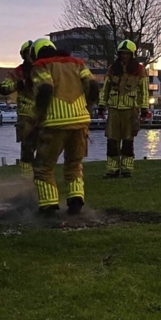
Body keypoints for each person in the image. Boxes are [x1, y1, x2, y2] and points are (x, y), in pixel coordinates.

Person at [30, 39, 100, 215]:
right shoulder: (77, 63)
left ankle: (48, 206)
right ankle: (76, 202)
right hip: (80, 122)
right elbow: (93, 86)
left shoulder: (41, 65)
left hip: (54, 124)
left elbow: (46, 88)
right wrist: (87, 107)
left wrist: (38, 115)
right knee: (74, 164)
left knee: (44, 167)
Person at [99, 40, 148, 178]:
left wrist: (144, 109)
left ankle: (127, 169)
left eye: (127, 53)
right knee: (112, 140)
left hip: (130, 110)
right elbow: (105, 89)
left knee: (128, 141)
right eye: (122, 53)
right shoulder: (112, 69)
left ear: (132, 54)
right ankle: (112, 169)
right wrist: (102, 106)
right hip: (114, 109)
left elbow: (144, 91)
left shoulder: (139, 70)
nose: (124, 56)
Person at [0, 40, 37, 179]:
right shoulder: (18, 72)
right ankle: (26, 177)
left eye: (32, 53)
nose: (31, 56)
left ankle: (41, 177)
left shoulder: (44, 68)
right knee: (27, 147)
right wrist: (17, 85)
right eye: (28, 53)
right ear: (24, 55)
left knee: (46, 148)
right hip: (26, 115)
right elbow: (3, 87)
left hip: (44, 114)